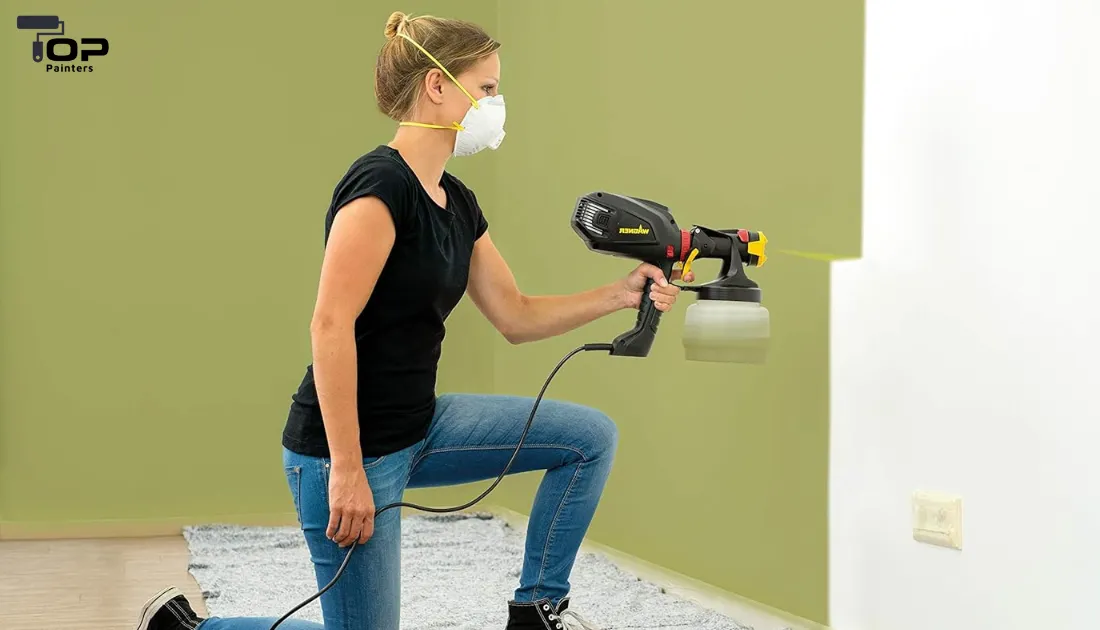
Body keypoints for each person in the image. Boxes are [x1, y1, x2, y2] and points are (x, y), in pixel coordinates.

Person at [134, 10, 691, 630]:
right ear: (436, 86)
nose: (496, 103)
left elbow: (514, 314)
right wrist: (347, 470)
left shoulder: (458, 202)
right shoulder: (380, 186)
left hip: (421, 426)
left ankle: (537, 609)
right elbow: (329, 324)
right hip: (344, 452)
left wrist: (619, 293)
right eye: (485, 88)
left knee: (589, 438)